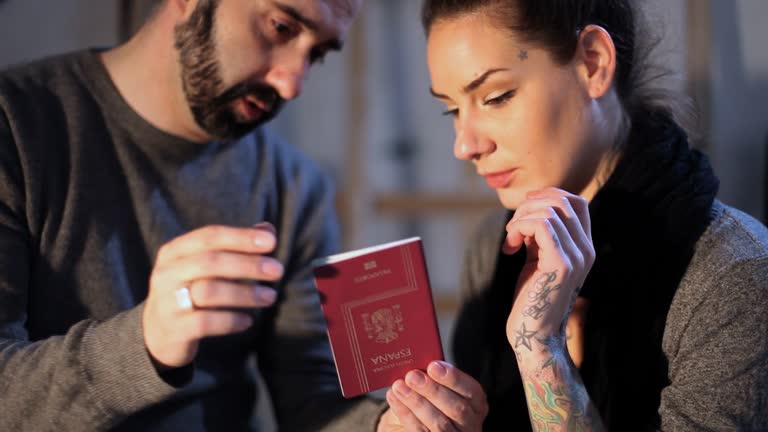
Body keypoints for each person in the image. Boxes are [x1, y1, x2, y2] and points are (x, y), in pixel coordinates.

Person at [0, 0, 400, 430]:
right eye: (281, 27)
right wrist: (145, 342)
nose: (292, 83)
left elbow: (311, 400)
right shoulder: (15, 128)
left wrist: (387, 425)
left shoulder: (296, 186)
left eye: (316, 54)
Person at [384, 0, 768, 430]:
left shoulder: (735, 277)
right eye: (453, 109)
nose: (465, 145)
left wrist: (540, 349)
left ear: (593, 62)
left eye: (496, 97)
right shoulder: (497, 250)